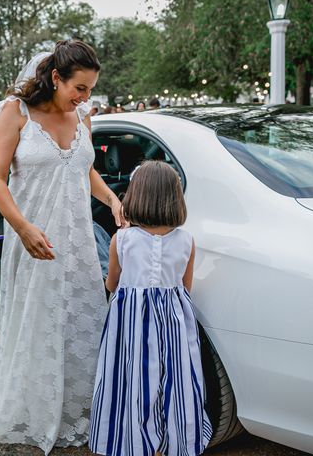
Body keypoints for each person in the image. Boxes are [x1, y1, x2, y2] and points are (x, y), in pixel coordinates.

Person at [0, 40, 122, 454]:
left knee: (78, 321)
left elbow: (86, 171)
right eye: (79, 88)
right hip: (33, 240)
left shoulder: (83, 117)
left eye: (91, 89)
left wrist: (113, 199)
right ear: (56, 78)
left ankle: (80, 410)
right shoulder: (17, 113)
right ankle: (38, 411)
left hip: (77, 241)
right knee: (39, 322)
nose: (85, 98)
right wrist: (24, 228)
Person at [89, 161, 212, 456]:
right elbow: (186, 286)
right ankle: (175, 436)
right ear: (175, 198)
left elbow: (112, 282)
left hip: (131, 324)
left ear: (136, 196)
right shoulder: (186, 241)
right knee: (176, 378)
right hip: (173, 322)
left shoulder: (122, 240)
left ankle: (133, 437)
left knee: (132, 378)